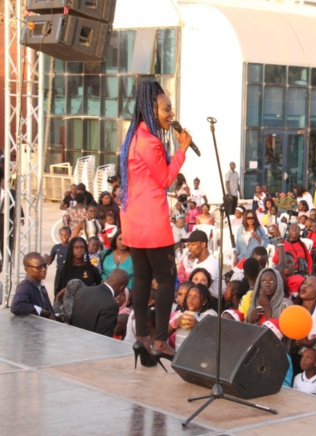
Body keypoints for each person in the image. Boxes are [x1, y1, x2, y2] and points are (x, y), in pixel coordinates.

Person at [118, 80, 192, 365]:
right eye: (166, 108)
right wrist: (182, 149)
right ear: (150, 108)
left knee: (143, 278)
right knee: (166, 279)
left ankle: (141, 338)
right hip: (152, 221)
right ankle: (160, 339)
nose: (170, 113)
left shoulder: (134, 136)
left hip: (134, 221)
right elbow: (164, 179)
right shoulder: (150, 141)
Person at [70, 269, 129, 337]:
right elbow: (103, 337)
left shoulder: (83, 291)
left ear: (107, 278)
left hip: (72, 341)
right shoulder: (111, 305)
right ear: (122, 288)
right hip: (90, 345)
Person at [11, 252, 57, 319]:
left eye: (45, 265)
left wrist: (57, 316)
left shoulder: (40, 286)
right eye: (39, 267)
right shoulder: (25, 286)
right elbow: (16, 306)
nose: (44, 269)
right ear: (27, 269)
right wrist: (43, 312)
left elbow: (49, 311)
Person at [183, 230, 220, 299]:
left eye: (193, 244)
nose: (189, 248)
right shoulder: (197, 260)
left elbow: (202, 289)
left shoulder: (212, 263)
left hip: (210, 299)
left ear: (203, 244)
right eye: (188, 245)